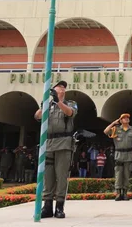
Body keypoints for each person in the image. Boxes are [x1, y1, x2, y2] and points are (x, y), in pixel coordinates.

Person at [34, 80, 78, 219]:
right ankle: (47, 206)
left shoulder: (70, 103)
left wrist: (58, 101)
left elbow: (70, 113)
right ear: (53, 89)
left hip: (64, 143)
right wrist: (46, 103)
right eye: (59, 86)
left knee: (61, 175)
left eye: (64, 87)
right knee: (48, 176)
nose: (62, 88)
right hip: (48, 143)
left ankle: (59, 206)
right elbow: (37, 116)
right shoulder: (48, 104)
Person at [104, 113, 132, 201]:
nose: (126, 119)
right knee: (118, 174)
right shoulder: (116, 129)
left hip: (128, 154)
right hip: (119, 154)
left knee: (126, 174)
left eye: (127, 118)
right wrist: (113, 123)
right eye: (124, 118)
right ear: (120, 120)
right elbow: (106, 131)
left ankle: (125, 193)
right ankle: (118, 193)